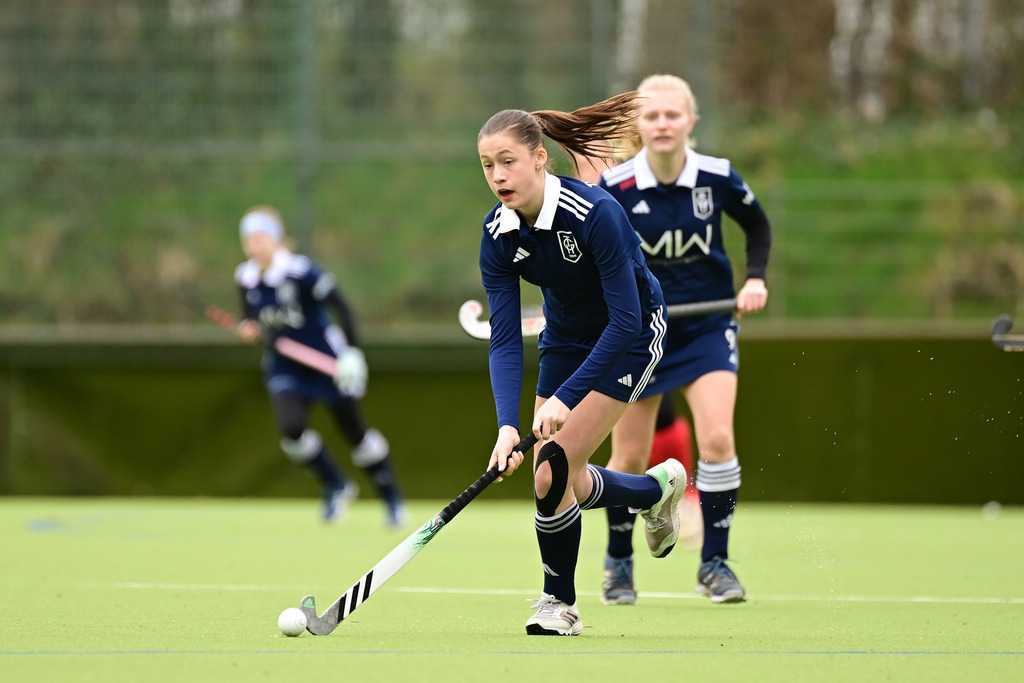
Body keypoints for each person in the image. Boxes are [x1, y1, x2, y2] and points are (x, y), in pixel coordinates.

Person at [477, 94, 687, 637]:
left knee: (551, 465)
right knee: (557, 468)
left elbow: (624, 320)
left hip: (635, 334)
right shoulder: (498, 234)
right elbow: (503, 339)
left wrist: (565, 400)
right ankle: (653, 491)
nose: (498, 176)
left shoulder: (595, 213)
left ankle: (558, 603)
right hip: (566, 337)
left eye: (508, 161)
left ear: (540, 158)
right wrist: (505, 425)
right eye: (487, 165)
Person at [598, 74, 772, 604]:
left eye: (673, 115)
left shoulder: (717, 177)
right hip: (639, 331)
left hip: (705, 330)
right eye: (651, 116)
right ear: (639, 126)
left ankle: (714, 564)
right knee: (627, 458)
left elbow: (757, 226)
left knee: (717, 439)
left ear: (690, 121)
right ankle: (620, 562)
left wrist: (755, 280)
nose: (663, 124)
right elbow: (595, 258)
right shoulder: (615, 189)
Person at [234, 206, 406, 527]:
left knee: (355, 434)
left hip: (328, 362)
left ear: (276, 240)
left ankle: (391, 498)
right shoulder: (245, 278)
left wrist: (352, 353)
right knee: (291, 430)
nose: (254, 246)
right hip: (285, 366)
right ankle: (335, 485)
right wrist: (249, 329)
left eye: (260, 238)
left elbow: (343, 308)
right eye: (248, 240)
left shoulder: (302, 272)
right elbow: (252, 319)